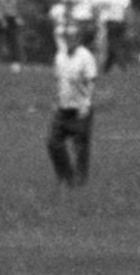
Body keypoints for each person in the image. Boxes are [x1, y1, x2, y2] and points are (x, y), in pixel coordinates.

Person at [47, 22, 97, 192]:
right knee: (53, 143)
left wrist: (86, 104)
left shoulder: (86, 57)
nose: (69, 40)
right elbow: (58, 81)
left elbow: (90, 82)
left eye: (73, 37)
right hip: (63, 108)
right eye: (66, 37)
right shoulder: (59, 56)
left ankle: (80, 182)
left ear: (78, 39)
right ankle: (65, 176)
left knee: (80, 147)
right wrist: (56, 101)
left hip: (80, 109)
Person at [0, 0, 25, 72]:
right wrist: (2, 21)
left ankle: (16, 63)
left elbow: (18, 9)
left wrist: (19, 18)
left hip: (13, 20)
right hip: (1, 19)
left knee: (15, 42)